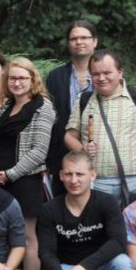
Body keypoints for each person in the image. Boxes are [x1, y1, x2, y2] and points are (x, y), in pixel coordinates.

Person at [0, 56, 55, 270]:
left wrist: (10, 174)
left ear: (32, 80)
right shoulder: (6, 106)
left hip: (26, 181)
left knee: (27, 239)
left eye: (22, 78)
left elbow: (39, 151)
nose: (17, 83)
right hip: (1, 181)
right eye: (13, 78)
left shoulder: (42, 107)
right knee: (3, 237)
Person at [65, 50, 136, 205]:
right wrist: (83, 149)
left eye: (107, 73)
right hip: (97, 181)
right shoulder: (83, 100)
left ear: (120, 72)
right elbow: (69, 136)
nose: (101, 78)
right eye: (95, 74)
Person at [45, 21, 98, 195]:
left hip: (101, 155)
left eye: (84, 37)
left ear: (95, 41)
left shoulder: (105, 74)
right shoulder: (55, 77)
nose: (79, 42)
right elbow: (50, 120)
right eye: (74, 38)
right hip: (63, 156)